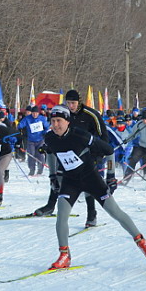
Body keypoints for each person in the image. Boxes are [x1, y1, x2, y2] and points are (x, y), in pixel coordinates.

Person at [42, 105, 146, 269]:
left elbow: (109, 151)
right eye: (52, 121)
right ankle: (64, 255)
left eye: (59, 121)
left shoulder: (80, 135)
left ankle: (142, 243)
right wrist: (53, 176)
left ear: (67, 121)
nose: (55, 125)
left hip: (91, 179)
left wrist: (110, 176)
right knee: (61, 215)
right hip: (70, 181)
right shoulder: (50, 138)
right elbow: (51, 153)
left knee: (115, 212)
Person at [33, 89, 109, 228]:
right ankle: (50, 205)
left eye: (73, 103)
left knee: (87, 184)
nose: (71, 106)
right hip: (68, 152)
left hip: (88, 152)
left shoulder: (90, 114)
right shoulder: (65, 113)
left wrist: (99, 154)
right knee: (57, 177)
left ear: (79, 102)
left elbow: (103, 136)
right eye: (68, 103)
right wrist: (48, 146)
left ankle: (91, 213)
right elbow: (56, 130)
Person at [17, 105, 49, 176]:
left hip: (40, 140)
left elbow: (47, 127)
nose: (35, 115)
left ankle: (40, 169)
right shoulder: (27, 118)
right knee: (31, 155)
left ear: (38, 113)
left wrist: (44, 132)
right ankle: (32, 170)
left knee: (40, 155)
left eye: (36, 113)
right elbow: (20, 125)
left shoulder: (42, 118)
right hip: (30, 141)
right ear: (31, 113)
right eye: (33, 113)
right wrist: (19, 126)